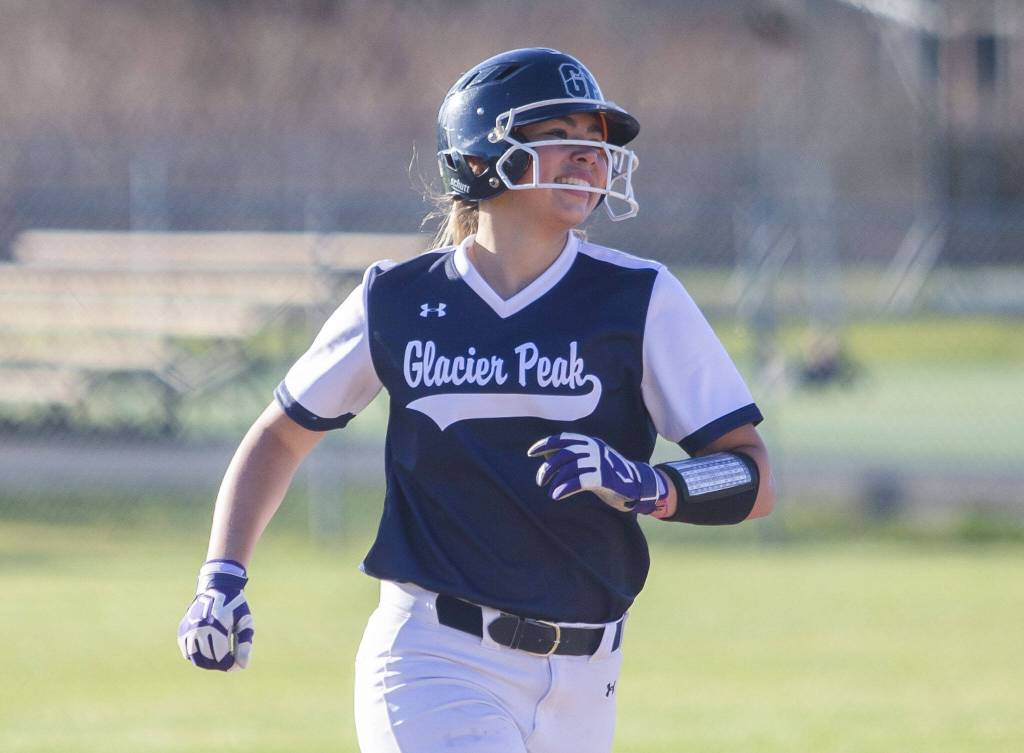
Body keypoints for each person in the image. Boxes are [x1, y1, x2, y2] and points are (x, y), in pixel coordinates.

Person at [177, 47, 775, 753]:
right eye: (563, 133)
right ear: (485, 154)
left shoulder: (641, 297)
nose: (591, 154)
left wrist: (651, 484)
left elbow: (752, 475)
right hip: (435, 655)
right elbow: (281, 436)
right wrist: (221, 574)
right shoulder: (397, 297)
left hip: (588, 675)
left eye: (597, 139)